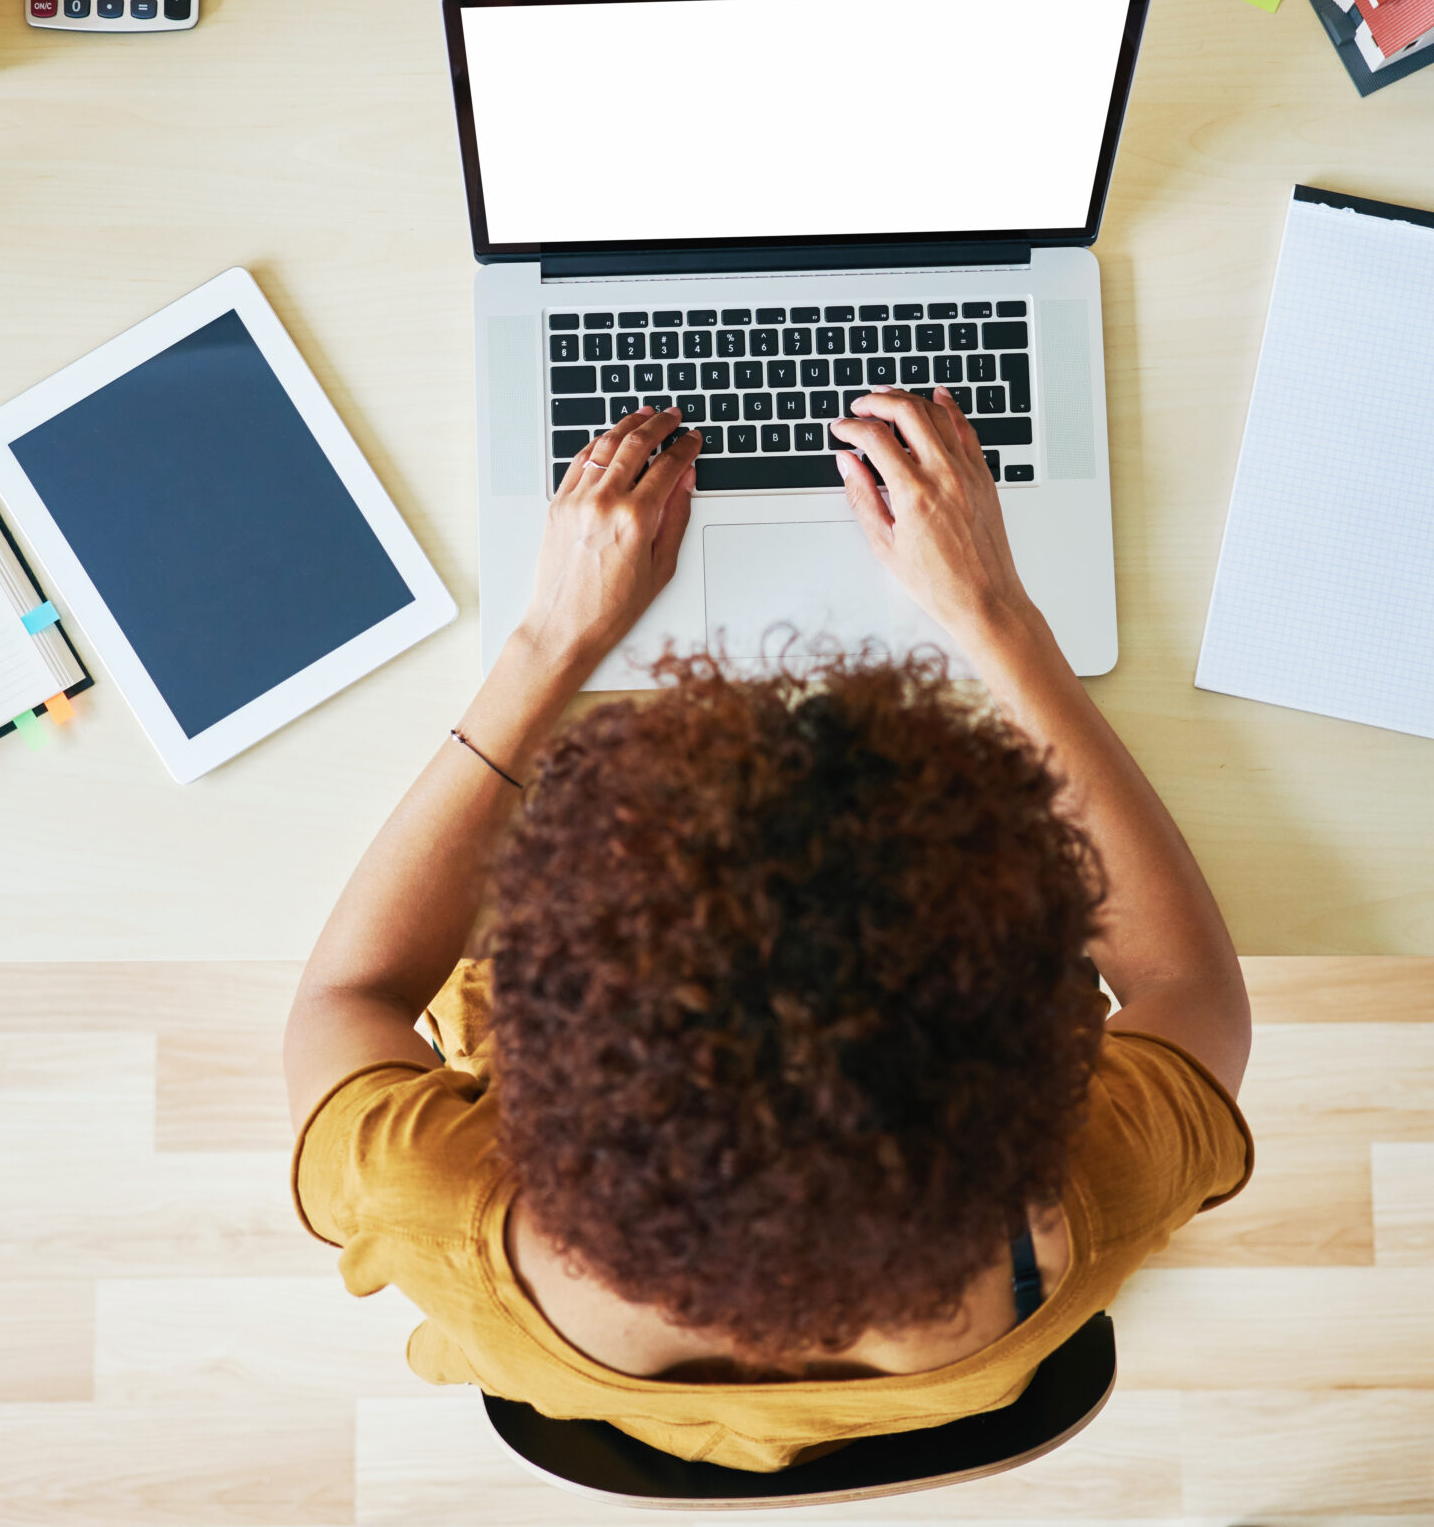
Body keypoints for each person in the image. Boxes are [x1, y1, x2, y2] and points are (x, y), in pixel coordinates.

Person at [285, 394, 1252, 1472]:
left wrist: (550, 639)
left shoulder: (425, 1196)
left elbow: (349, 995)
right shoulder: (1086, 1203)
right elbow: (1187, 981)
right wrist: (993, 616)